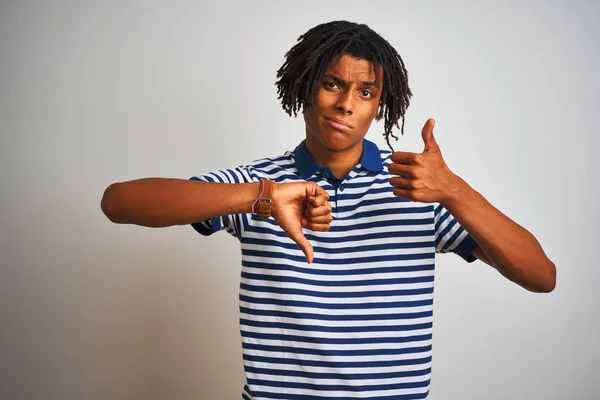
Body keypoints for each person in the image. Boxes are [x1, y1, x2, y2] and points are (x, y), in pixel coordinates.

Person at [101, 20, 555, 400]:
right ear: (305, 85)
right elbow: (118, 202)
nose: (344, 104)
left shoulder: (418, 189)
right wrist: (259, 196)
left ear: (381, 105)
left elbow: (541, 276)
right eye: (332, 83)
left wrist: (455, 191)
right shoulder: (262, 183)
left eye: (365, 93)